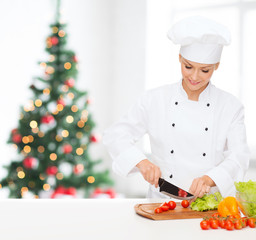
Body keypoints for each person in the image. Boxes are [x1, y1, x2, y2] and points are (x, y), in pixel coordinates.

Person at [103, 16, 250, 199]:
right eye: (188, 67)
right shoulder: (154, 99)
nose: (195, 77)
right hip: (161, 202)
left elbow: (239, 156)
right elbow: (116, 135)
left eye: (205, 70)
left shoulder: (230, 106)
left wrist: (210, 178)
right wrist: (141, 162)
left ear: (216, 66)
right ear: (179, 58)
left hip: (207, 204)